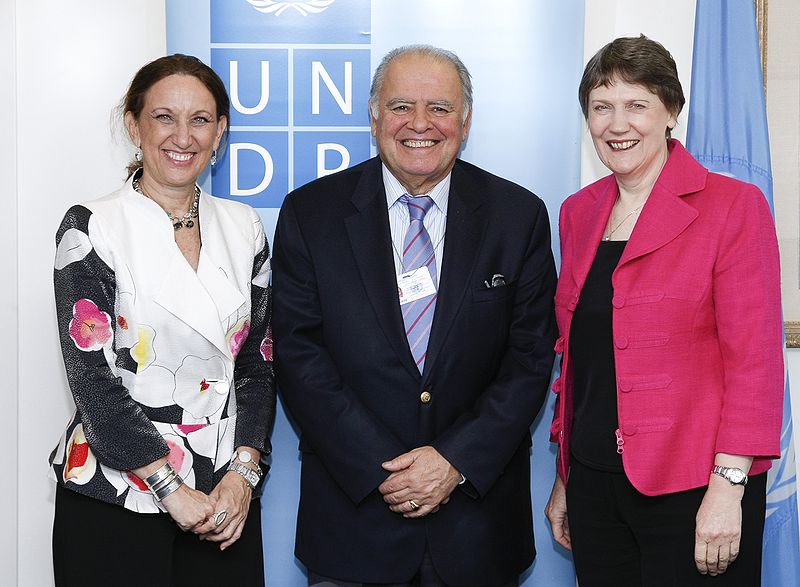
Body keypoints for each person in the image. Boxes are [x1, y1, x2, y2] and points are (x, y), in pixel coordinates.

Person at [272, 44, 557, 587]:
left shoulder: (517, 216)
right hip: (355, 525)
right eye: (401, 106)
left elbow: (530, 358)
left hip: (478, 528)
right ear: (374, 115)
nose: (420, 124)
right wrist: (388, 469)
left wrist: (452, 461)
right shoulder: (312, 214)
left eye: (440, 108)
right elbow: (298, 354)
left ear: (466, 120)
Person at [544, 35, 784, 586]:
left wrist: (727, 489)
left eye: (637, 105)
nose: (616, 123)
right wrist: (566, 478)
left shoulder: (732, 207)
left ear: (671, 111)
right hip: (595, 488)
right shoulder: (578, 213)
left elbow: (755, 363)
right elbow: (580, 361)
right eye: (602, 107)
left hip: (695, 488)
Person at [49, 54, 275, 586]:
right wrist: (168, 486)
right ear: (134, 125)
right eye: (164, 117)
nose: (183, 136)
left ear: (220, 131)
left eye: (200, 119)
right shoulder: (92, 226)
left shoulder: (245, 227)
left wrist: (243, 475)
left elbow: (258, 368)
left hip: (223, 501)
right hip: (116, 493)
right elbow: (94, 384)